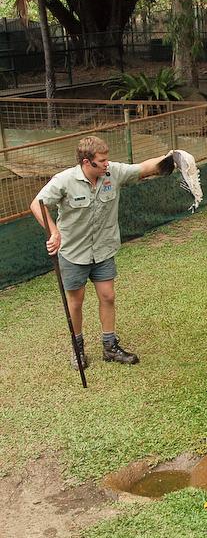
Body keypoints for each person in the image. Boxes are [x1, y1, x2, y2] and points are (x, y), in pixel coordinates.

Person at [30, 135, 176, 369]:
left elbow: (145, 168)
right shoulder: (64, 181)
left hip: (103, 250)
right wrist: (54, 233)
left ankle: (110, 346)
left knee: (108, 296)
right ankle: (78, 350)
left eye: (107, 159)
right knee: (75, 303)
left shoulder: (113, 172)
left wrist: (172, 157)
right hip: (73, 253)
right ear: (87, 162)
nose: (107, 163)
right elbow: (37, 204)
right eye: (102, 160)